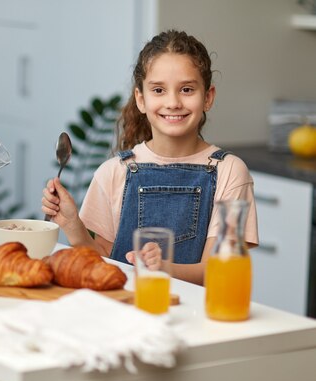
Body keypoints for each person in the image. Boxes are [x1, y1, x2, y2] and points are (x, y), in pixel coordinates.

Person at [42, 29, 258, 285]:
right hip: (122, 313)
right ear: (141, 99)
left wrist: (164, 269)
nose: (173, 102)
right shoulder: (114, 171)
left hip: (194, 319)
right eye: (158, 90)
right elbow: (101, 262)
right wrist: (72, 225)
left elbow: (219, 271)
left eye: (187, 89)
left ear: (207, 97)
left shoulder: (229, 171)